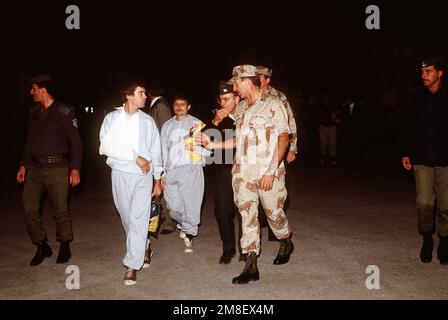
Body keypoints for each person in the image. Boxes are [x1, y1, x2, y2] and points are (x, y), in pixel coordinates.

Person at [198, 65, 294, 284]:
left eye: (237, 83)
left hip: (268, 172)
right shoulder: (241, 109)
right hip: (242, 172)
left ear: (247, 81)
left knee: (273, 215)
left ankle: (286, 239)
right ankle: (251, 264)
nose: (235, 88)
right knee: (247, 216)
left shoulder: (273, 105)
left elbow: (283, 138)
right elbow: (237, 139)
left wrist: (271, 170)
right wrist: (214, 144)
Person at [99, 81, 163, 285]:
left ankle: (131, 265)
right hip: (119, 174)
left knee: (138, 218)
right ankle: (142, 245)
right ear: (129, 95)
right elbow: (105, 147)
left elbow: (156, 150)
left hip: (142, 176)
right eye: (141, 93)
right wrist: (134, 157)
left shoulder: (147, 121)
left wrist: (158, 178)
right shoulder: (112, 118)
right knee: (127, 218)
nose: (145, 96)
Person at [16, 74, 83, 266]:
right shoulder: (33, 112)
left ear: (42, 90)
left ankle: (64, 244)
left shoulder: (65, 111)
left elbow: (76, 142)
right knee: (29, 206)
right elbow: (29, 141)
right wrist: (23, 164)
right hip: (35, 169)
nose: (31, 92)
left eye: (33, 89)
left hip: (58, 169)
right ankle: (41, 245)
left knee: (60, 209)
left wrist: (75, 168)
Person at [402, 54, 448, 265]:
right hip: (422, 159)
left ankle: (445, 243)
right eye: (422, 72)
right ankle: (427, 240)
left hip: (446, 160)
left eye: (428, 71)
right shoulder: (416, 98)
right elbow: (408, 127)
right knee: (425, 203)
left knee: (446, 205)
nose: (424, 75)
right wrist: (406, 152)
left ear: (439, 73)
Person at [160, 94, 209, 253]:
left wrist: (202, 157)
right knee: (173, 206)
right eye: (176, 104)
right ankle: (184, 223)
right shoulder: (167, 126)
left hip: (191, 168)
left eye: (183, 104)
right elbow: (163, 150)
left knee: (191, 203)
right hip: (172, 170)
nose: (179, 106)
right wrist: (162, 172)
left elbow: (207, 146)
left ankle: (189, 234)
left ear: (188, 107)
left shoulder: (196, 124)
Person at [256, 66, 298, 241]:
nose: (257, 79)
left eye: (260, 77)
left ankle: (277, 231)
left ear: (267, 79)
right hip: (257, 151)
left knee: (277, 194)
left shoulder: (279, 96)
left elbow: (290, 121)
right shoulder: (252, 95)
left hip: (276, 149)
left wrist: (293, 148)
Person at [209, 81, 240, 264]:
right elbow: (205, 139)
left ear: (237, 99)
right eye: (221, 99)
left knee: (245, 211)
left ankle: (247, 248)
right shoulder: (217, 117)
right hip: (223, 169)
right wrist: (215, 122)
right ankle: (228, 249)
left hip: (244, 169)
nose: (223, 103)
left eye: (227, 98)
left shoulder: (247, 115)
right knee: (223, 210)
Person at [145, 89, 177, 236]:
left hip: (162, 153)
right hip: (154, 152)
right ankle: (161, 219)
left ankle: (169, 223)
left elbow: (166, 132)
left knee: (162, 187)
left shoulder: (161, 106)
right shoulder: (155, 105)